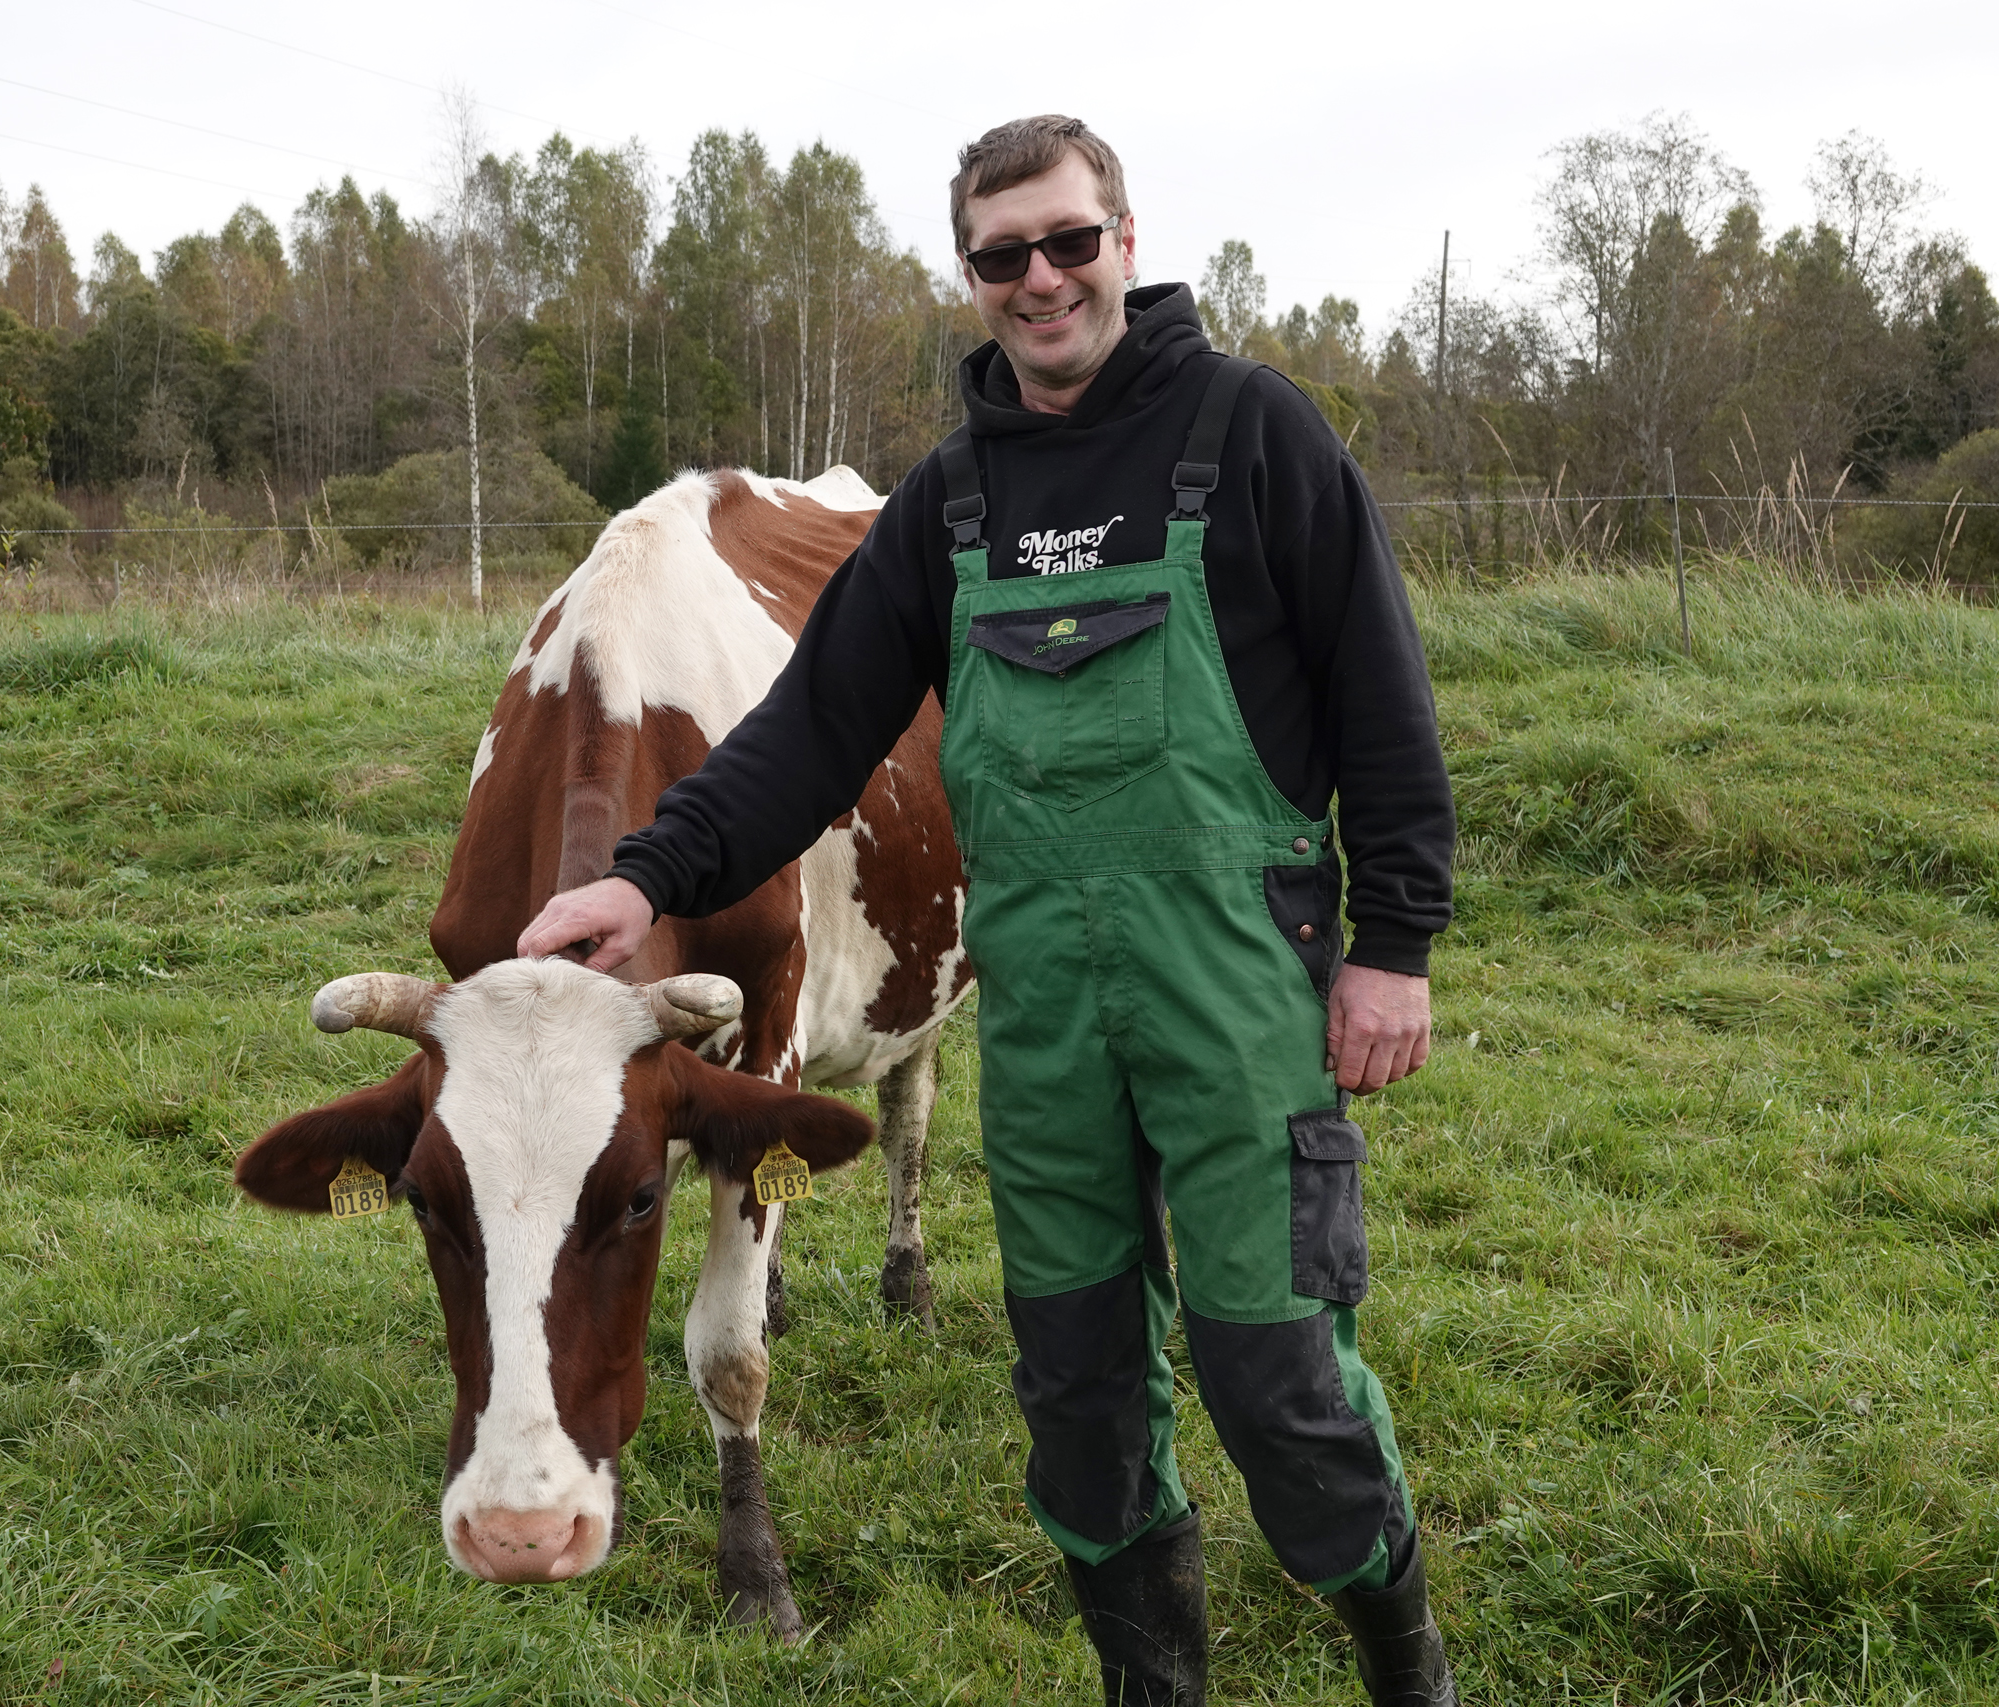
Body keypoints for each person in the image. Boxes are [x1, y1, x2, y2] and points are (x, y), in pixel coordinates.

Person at [518, 114, 1457, 1707]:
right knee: (1079, 1399)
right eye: (1001, 255)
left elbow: (1384, 703)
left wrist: (1395, 952)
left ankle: (1406, 1665)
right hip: (1042, 1032)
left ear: (1127, 240)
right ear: (971, 275)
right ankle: (1151, 1689)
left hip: (1237, 1002)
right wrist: (644, 875)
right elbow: (808, 736)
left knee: (1277, 1378)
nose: (1040, 280)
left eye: (1068, 242)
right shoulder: (949, 507)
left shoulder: (1252, 436)